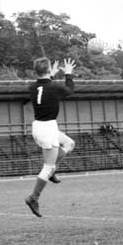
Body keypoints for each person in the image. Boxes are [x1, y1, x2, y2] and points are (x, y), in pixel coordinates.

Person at [25, 57, 76, 217]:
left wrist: (51, 74)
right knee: (47, 167)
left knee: (69, 144)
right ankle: (33, 198)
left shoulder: (32, 87)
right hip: (47, 128)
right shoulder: (53, 87)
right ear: (48, 70)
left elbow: (45, 86)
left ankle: (52, 171)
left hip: (41, 126)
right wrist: (68, 74)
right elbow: (69, 90)